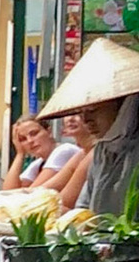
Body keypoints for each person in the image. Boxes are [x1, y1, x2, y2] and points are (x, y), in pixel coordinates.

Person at [36, 38, 139, 216]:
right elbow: (85, 209)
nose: (86, 120)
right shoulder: (102, 151)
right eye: (81, 112)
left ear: (122, 106)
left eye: (92, 110)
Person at [0, 113, 83, 190]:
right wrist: (20, 154)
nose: (30, 141)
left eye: (34, 133)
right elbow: (8, 191)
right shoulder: (38, 163)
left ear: (49, 132)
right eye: (23, 139)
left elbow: (32, 194)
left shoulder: (64, 150)